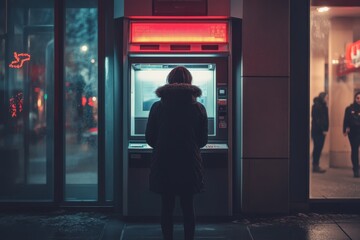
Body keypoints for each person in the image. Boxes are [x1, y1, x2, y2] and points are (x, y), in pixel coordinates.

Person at [145, 66, 208, 240]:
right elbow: (203, 140)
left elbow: (149, 137)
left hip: (164, 162)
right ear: (190, 82)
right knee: (188, 206)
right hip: (189, 163)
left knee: (167, 206)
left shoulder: (157, 107)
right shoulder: (199, 108)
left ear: (168, 81)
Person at [343, 91, 360, 178]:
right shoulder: (349, 108)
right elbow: (346, 120)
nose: (359, 100)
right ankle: (356, 169)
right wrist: (345, 129)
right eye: (357, 98)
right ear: (355, 98)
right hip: (353, 133)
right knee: (354, 150)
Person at [311, 92, 329, 173]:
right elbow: (317, 120)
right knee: (317, 148)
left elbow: (326, 119)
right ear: (322, 97)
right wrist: (323, 129)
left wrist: (326, 129)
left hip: (322, 131)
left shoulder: (324, 106)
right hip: (317, 131)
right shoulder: (316, 106)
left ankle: (316, 165)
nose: (327, 99)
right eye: (326, 97)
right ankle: (315, 165)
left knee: (319, 148)